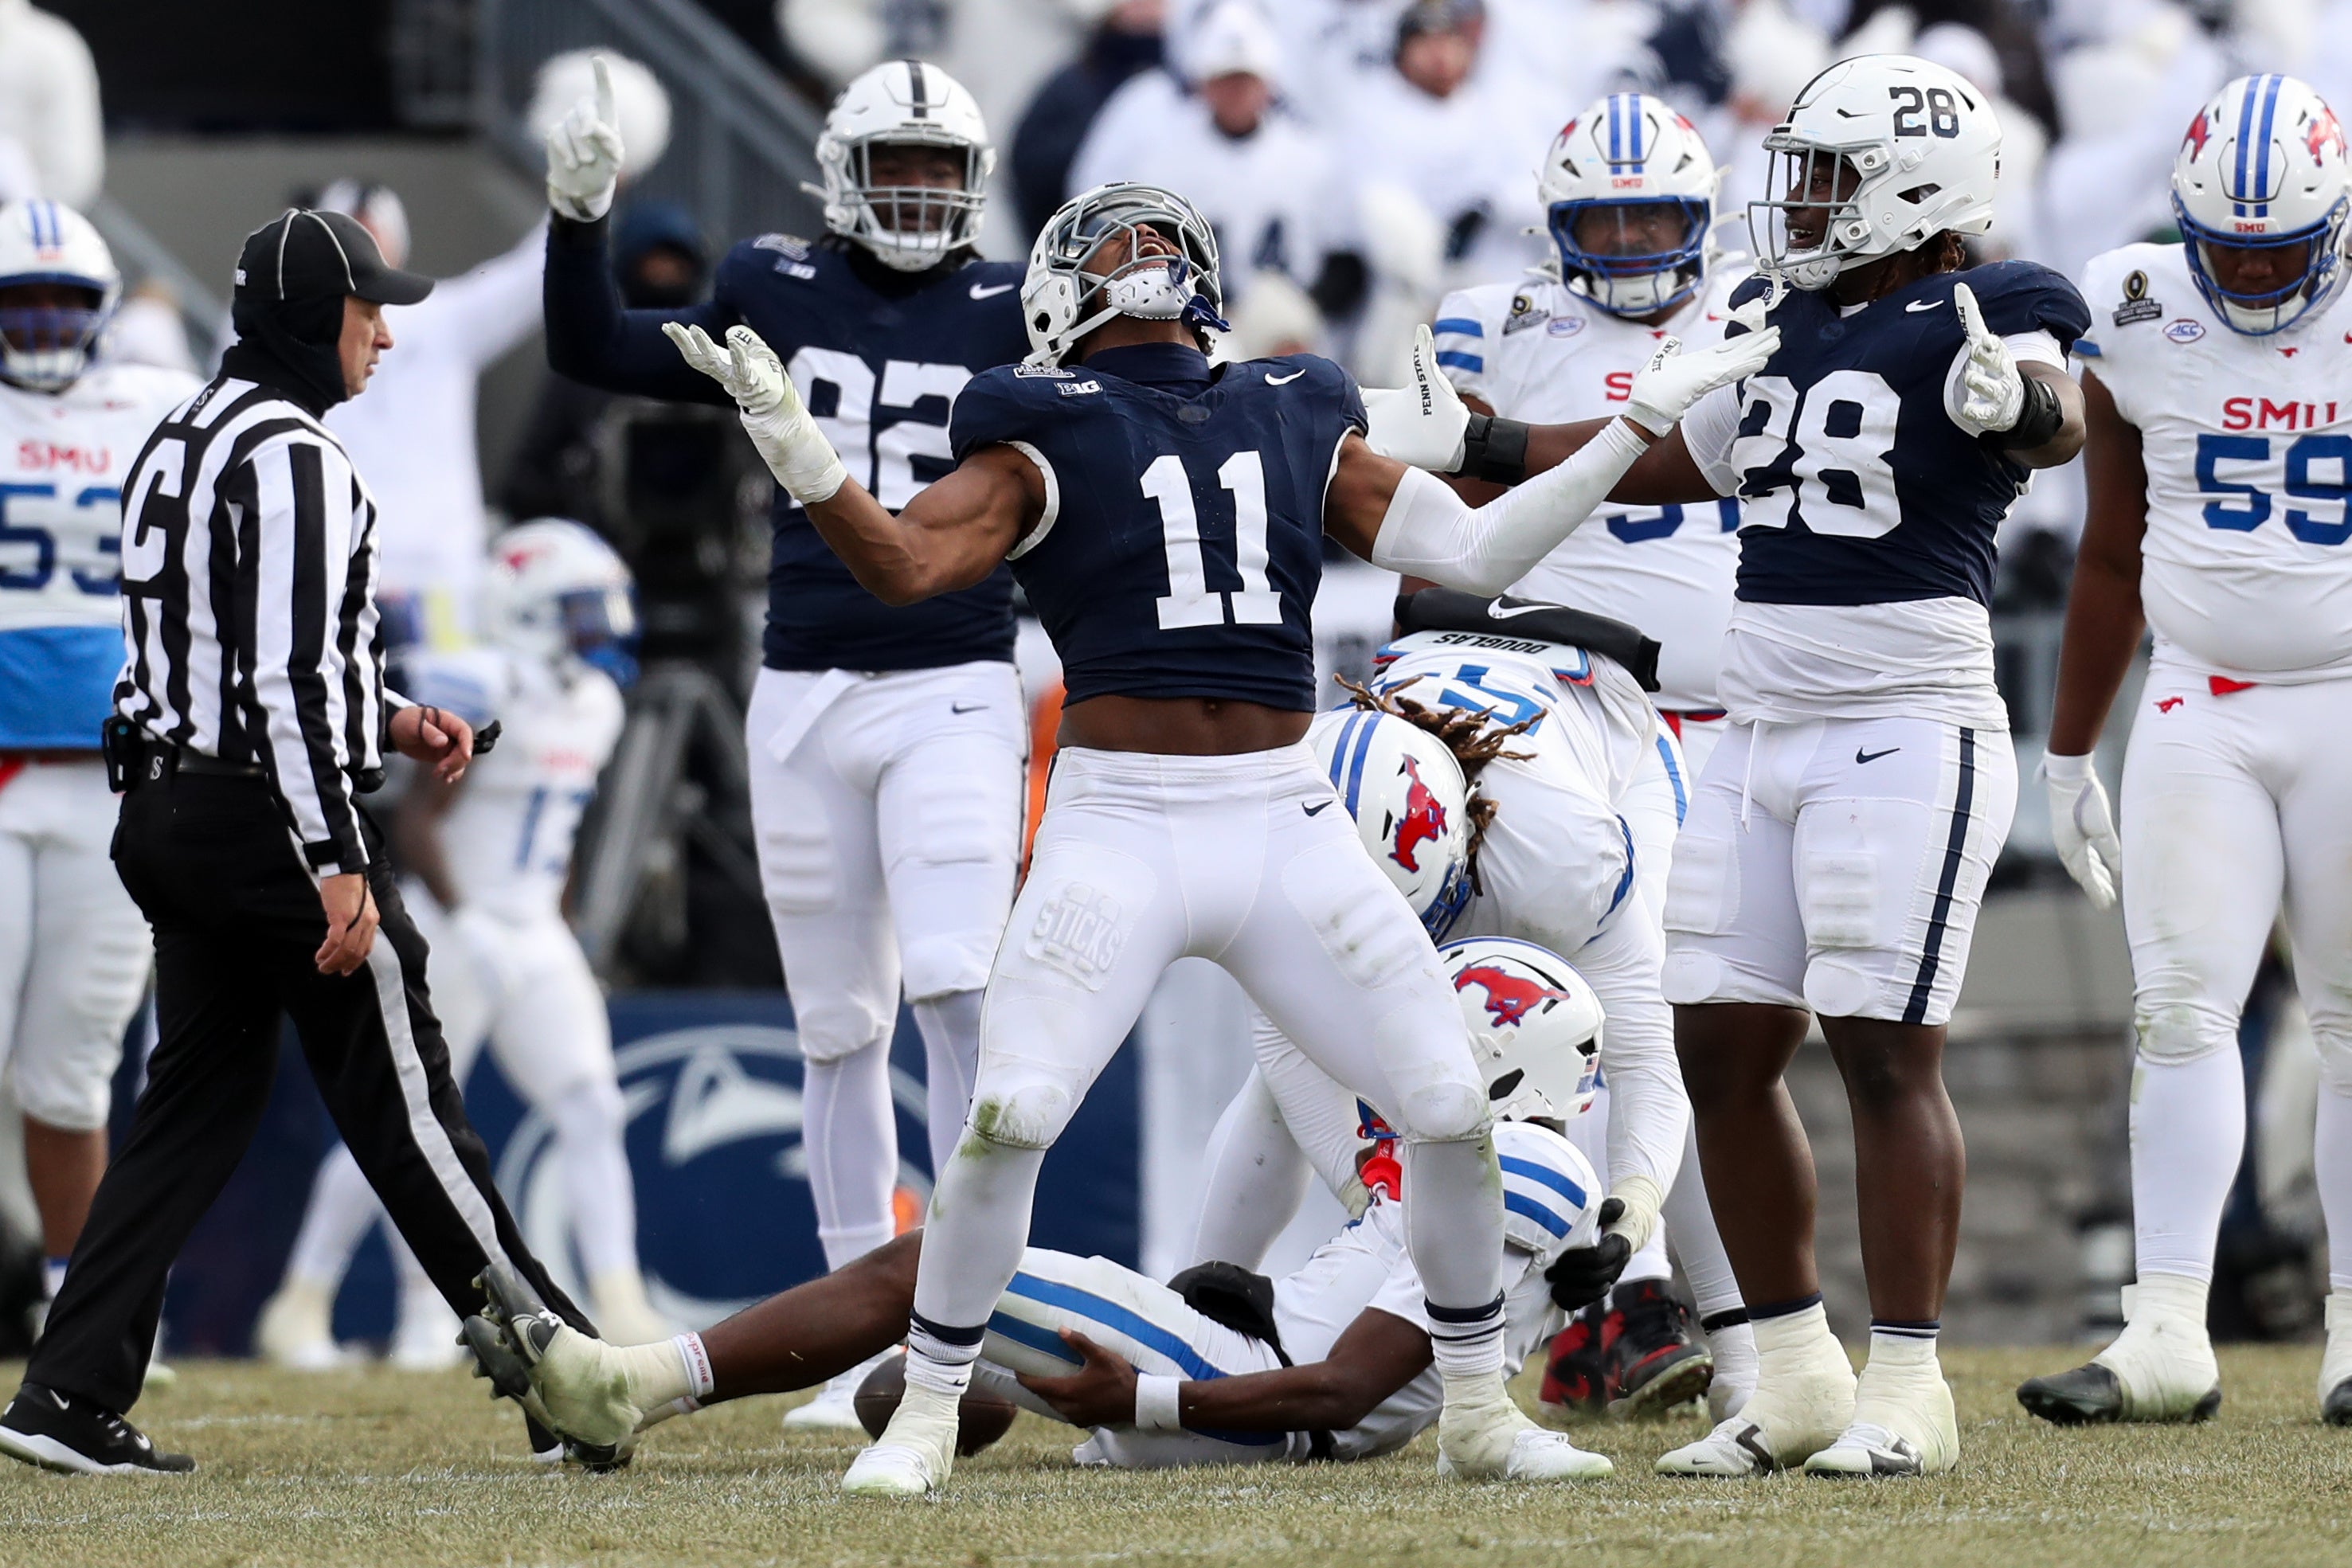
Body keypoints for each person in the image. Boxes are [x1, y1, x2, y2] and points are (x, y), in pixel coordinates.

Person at [648, 178, 1773, 1494]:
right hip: (1120, 819)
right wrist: (804, 458)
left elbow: (1470, 550)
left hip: (1280, 814)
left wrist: (1627, 428)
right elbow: (900, 564)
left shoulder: (1290, 403)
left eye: (1155, 241)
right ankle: (923, 1408)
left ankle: (1476, 1405)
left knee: (1448, 1104)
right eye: (1114, 244)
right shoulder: (1037, 428)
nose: (1140, 259)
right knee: (1009, 1113)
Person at [1376, 54, 2091, 1476]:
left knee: (1884, 1050)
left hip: (1904, 715)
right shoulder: (1788, 316)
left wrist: (2011, 405)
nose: (1801, 202)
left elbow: (2054, 411)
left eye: (1828, 176)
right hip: (1757, 720)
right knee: (1716, 1042)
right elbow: (1664, 456)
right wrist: (1483, 440)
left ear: (1913, 190)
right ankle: (1792, 1365)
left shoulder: (1999, 303)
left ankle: (1907, 1383)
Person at [0, 208, 594, 1476]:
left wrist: (386, 714)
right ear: (302, 318)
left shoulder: (175, 437)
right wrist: (335, 858)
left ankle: (65, 1388)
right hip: (265, 820)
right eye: (365, 307)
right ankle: (567, 1372)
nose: (385, 331)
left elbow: (228, 654)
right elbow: (273, 675)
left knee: (188, 1112)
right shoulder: (298, 456)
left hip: (161, 807)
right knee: (409, 1103)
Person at [539, 57, 1035, 1429]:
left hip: (953, 673)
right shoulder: (772, 283)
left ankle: (961, 1318)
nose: (925, 194)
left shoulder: (1016, 306)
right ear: (840, 176)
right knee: (834, 1025)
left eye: (945, 171)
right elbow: (595, 351)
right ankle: (850, 1333)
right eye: (902, 168)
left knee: (953, 988)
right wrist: (577, 229)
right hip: (805, 682)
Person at [2017, 74, 2352, 1429]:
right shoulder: (2139, 304)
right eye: (2231, 249)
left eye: (2283, 249)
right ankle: (2162, 1326)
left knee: (2347, 1022)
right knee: (2176, 1011)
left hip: (2345, 694)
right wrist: (2063, 752)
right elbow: (2108, 543)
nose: (2257, 273)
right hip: (2196, 699)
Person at [1426, 90, 1758, 1420]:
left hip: (1719, 714)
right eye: (1599, 219)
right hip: (1562, 700)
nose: (1625, 242)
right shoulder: (1495, 323)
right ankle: (1630, 1308)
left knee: (1688, 1029)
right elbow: (1434, 513)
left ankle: (1661, 1318)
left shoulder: (1750, 308)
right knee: (1599, 1031)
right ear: (1553, 226)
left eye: (1651, 217)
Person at [469, 1110, 1600, 1472]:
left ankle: (633, 1387)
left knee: (940, 1260)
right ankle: (639, 1392)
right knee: (910, 1363)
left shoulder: (1530, 1168)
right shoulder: (1505, 1176)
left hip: (1237, 1399)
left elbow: (1352, 1387)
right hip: (1237, 1385)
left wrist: (1146, 1405)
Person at [257, 520, 667, 1369]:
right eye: (582, 610)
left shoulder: (599, 703)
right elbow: (417, 817)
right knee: (416, 1122)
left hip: (532, 928)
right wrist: (469, 916)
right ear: (526, 610)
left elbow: (559, 828)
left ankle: (619, 1296)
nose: (601, 627)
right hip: (455, 921)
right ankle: (315, 1302)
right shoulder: (485, 686)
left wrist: (557, 919)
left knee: (592, 1105)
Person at [0, 200, 198, 1342]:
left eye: (59, 301)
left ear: (100, 313)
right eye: (15, 300)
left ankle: (81, 1314)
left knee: (72, 1068)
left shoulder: (152, 408)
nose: (36, 321)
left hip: (118, 775)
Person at [314, 179, 550, 649]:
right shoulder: (285, 330)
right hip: (333, 575)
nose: (365, 243)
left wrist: (580, 203)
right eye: (349, 232)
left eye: (374, 231)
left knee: (448, 714)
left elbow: (537, 273)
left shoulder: (444, 316)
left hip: (441, 582)